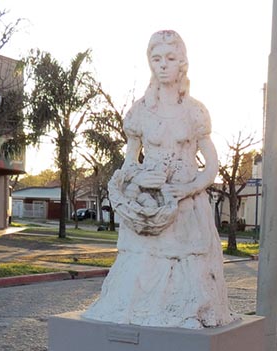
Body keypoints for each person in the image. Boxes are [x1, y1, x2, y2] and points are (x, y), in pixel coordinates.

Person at [83, 30, 235, 329]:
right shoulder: (140, 112)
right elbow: (129, 162)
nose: (163, 65)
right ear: (149, 63)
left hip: (186, 204)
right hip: (149, 201)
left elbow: (212, 163)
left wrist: (190, 187)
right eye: (156, 59)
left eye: (170, 58)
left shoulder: (194, 111)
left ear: (183, 63)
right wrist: (140, 179)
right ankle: (140, 313)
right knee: (142, 263)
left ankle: (191, 311)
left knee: (188, 260)